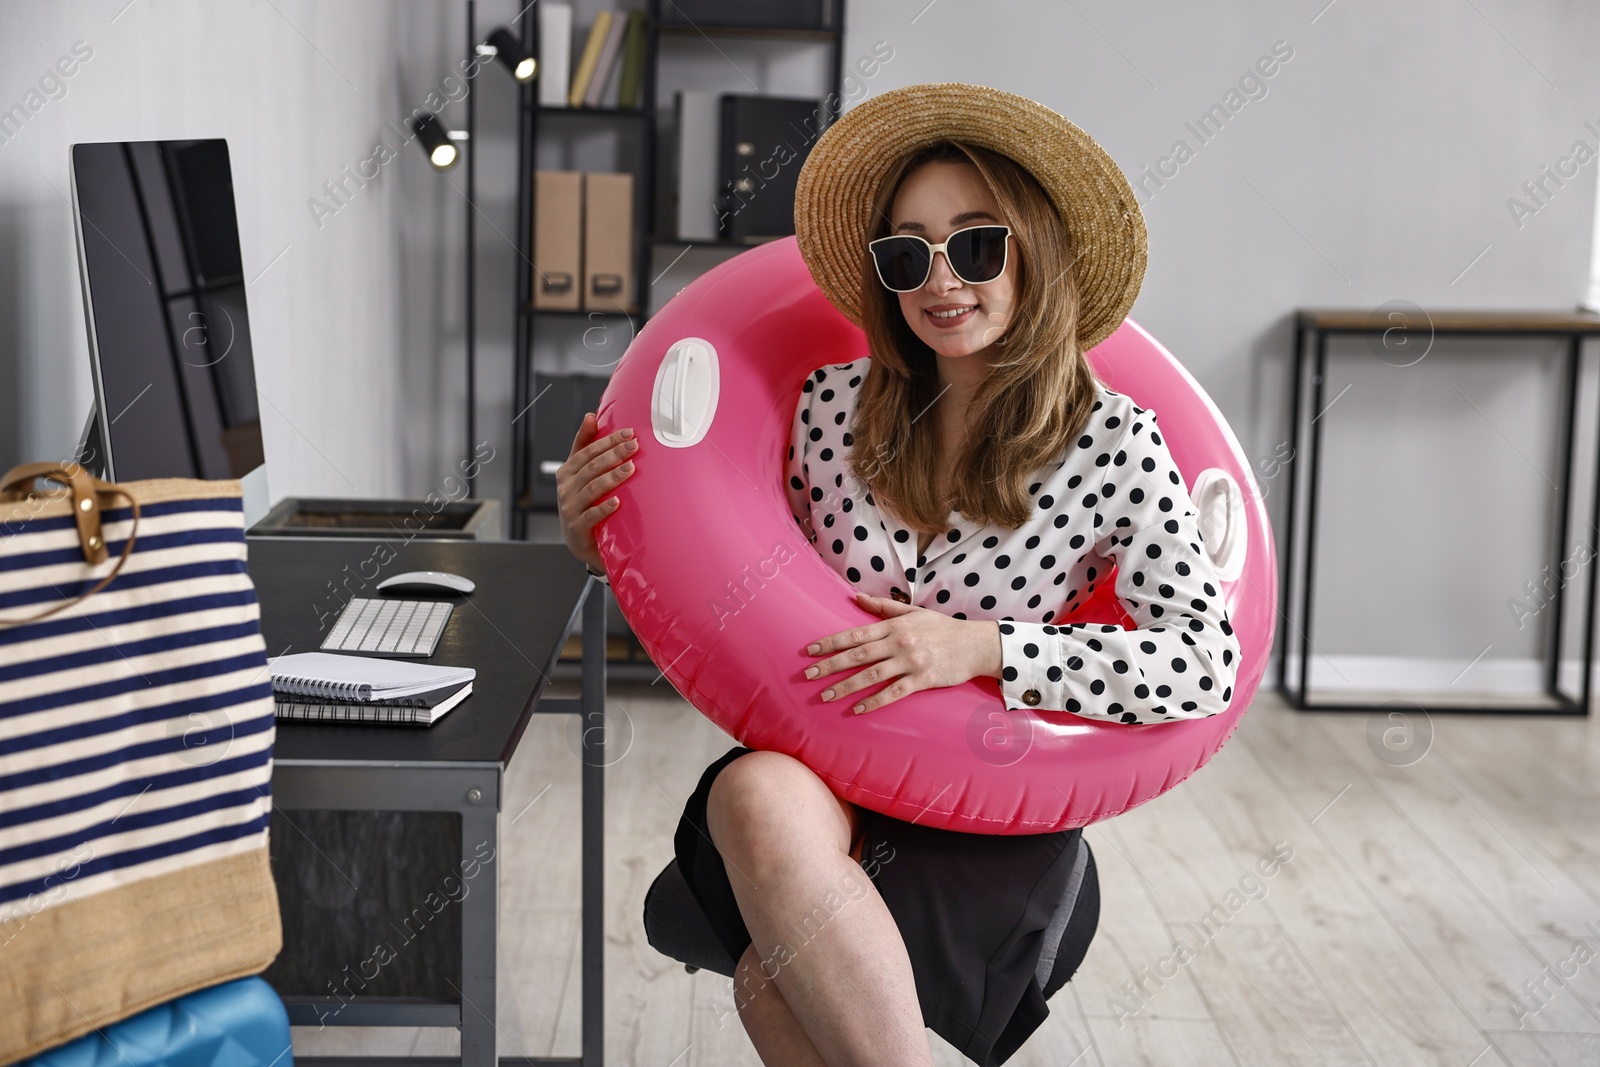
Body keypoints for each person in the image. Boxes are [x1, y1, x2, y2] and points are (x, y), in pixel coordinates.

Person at [557, 83, 1241, 1067]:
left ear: (1031, 252)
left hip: (988, 802)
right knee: (749, 800)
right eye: (905, 252)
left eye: (974, 243)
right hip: (826, 771)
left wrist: (981, 645)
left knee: (769, 975)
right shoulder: (829, 410)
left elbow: (1202, 659)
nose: (939, 279)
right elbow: (728, 587)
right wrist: (608, 541)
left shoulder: (1111, 440)